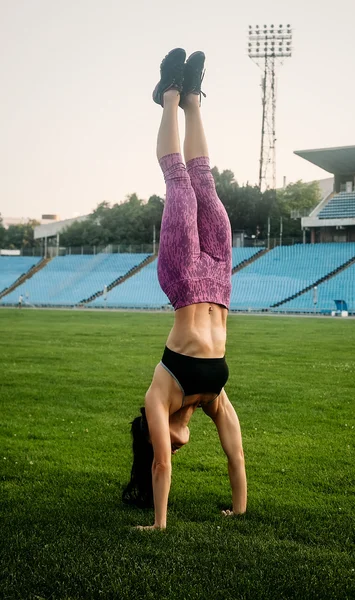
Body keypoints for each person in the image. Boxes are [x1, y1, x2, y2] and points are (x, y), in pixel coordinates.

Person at [124, 48, 247, 530]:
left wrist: (158, 524)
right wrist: (238, 508)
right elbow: (235, 453)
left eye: (164, 440)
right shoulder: (212, 396)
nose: (173, 444)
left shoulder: (160, 396)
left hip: (181, 279)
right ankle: (193, 100)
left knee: (179, 182)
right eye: (168, 441)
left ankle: (168, 97)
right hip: (220, 281)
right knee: (206, 185)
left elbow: (161, 466)